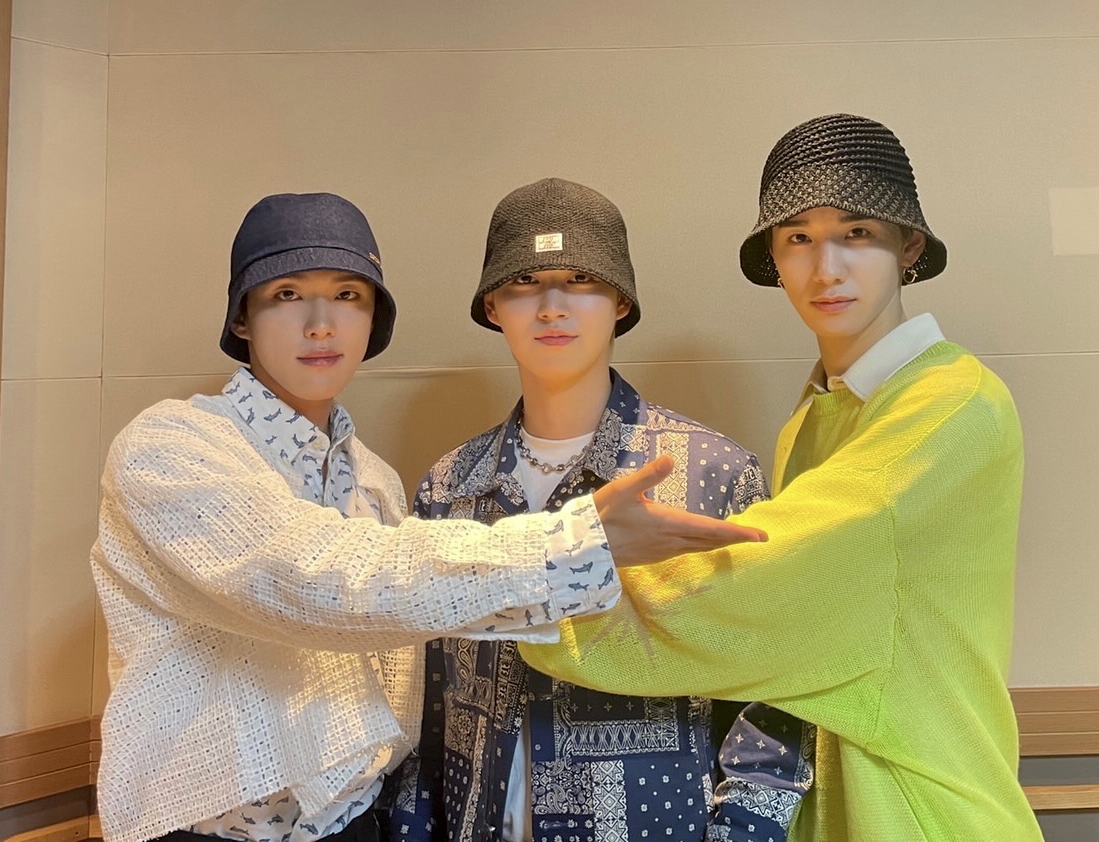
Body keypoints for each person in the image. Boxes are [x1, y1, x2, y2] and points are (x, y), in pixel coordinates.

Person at [89, 192, 764, 842]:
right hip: (216, 830)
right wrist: (576, 547)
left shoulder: (375, 485)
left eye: (348, 295)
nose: (320, 323)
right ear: (242, 317)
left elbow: (769, 676)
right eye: (287, 294)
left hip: (626, 817)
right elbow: (321, 583)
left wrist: (747, 828)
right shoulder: (175, 448)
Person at [521, 115, 1044, 840]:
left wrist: (534, 582)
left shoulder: (951, 406)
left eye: (856, 232)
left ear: (909, 247)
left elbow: (758, 585)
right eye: (797, 237)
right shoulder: (819, 411)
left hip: (920, 806)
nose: (825, 268)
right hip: (840, 798)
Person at [388, 178, 809, 842]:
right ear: (493, 305)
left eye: (580, 279)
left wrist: (744, 830)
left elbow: (778, 684)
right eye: (524, 282)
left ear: (620, 301)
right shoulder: (450, 488)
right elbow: (426, 703)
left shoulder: (712, 475)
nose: (551, 307)